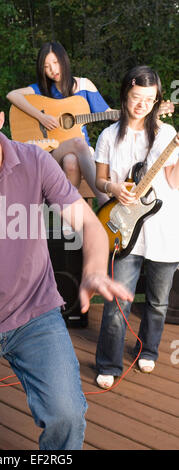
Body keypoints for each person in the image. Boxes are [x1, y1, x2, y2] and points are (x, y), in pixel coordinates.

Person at [0, 81, 133, 450]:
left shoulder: (34, 161)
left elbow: (89, 226)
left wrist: (95, 268)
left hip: (35, 311)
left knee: (66, 414)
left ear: (0, 122)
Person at [94, 65, 179, 390]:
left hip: (165, 230)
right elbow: (101, 182)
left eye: (149, 99)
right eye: (135, 98)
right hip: (124, 231)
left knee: (157, 302)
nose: (142, 105)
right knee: (117, 301)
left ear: (157, 99)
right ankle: (108, 362)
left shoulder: (167, 135)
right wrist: (114, 189)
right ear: (125, 95)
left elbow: (173, 182)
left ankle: (149, 348)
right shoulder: (107, 136)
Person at [6, 41, 116, 208]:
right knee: (78, 144)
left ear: (63, 60)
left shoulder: (83, 86)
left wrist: (138, 112)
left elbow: (108, 113)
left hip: (79, 157)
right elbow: (12, 95)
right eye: (46, 66)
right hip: (50, 153)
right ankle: (103, 200)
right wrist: (41, 117)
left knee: (71, 161)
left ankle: (69, 216)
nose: (53, 70)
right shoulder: (41, 91)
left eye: (55, 63)